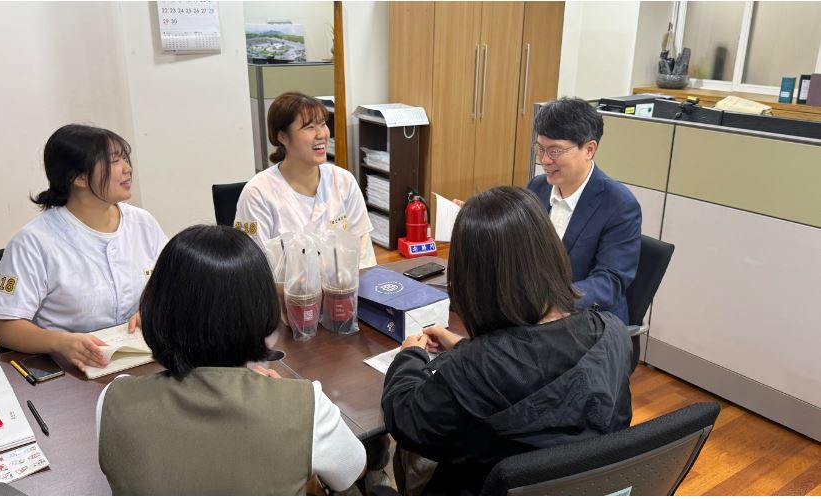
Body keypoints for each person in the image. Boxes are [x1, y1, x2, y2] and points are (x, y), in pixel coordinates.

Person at [381, 186, 633, 495]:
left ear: (474, 278)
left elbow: (405, 420)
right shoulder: (613, 332)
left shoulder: (472, 371)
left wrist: (409, 356)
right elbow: (539, 367)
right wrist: (463, 346)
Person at [96, 225, 366, 495]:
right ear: (261, 308)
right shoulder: (306, 405)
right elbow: (353, 469)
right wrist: (280, 396)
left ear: (157, 305)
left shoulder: (113, 401)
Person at [0, 124, 167, 372]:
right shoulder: (33, 242)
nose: (127, 168)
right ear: (79, 178)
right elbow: (6, 329)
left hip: (140, 360)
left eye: (125, 158)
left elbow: (171, 284)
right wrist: (60, 342)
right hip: (70, 370)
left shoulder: (143, 223)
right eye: (114, 161)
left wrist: (152, 309)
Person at [527, 97, 641, 324]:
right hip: (536, 310)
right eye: (540, 148)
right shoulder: (538, 187)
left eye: (555, 151)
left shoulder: (619, 205)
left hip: (587, 319)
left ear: (589, 149)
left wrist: (554, 303)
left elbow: (610, 281)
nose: (544, 160)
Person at [235, 91, 377, 268]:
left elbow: (363, 255)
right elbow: (253, 268)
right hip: (281, 287)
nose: (321, 134)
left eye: (323, 124)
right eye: (309, 127)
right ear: (282, 136)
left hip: (343, 285)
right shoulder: (257, 193)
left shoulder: (343, 181)